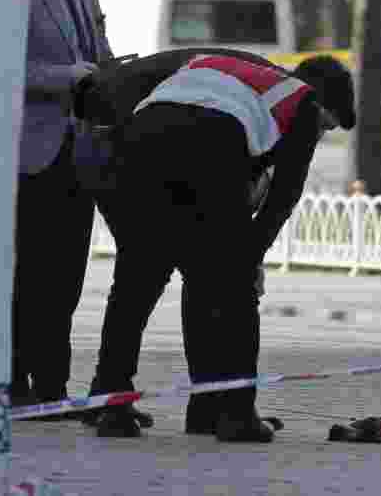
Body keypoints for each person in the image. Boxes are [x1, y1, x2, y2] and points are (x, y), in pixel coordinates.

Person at [81, 52, 355, 442]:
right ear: (324, 100)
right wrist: (249, 258)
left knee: (137, 281)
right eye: (327, 125)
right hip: (211, 146)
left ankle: (112, 404)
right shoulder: (304, 101)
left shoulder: (219, 68)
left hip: (138, 146)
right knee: (232, 292)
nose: (320, 133)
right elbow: (284, 196)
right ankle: (235, 413)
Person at [12, 0, 121, 411]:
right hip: (32, 153)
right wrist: (66, 76)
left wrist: (114, 71)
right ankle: (12, 383)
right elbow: (5, 68)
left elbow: (98, 51)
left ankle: (52, 385)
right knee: (27, 275)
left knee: (66, 277)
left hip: (81, 152)